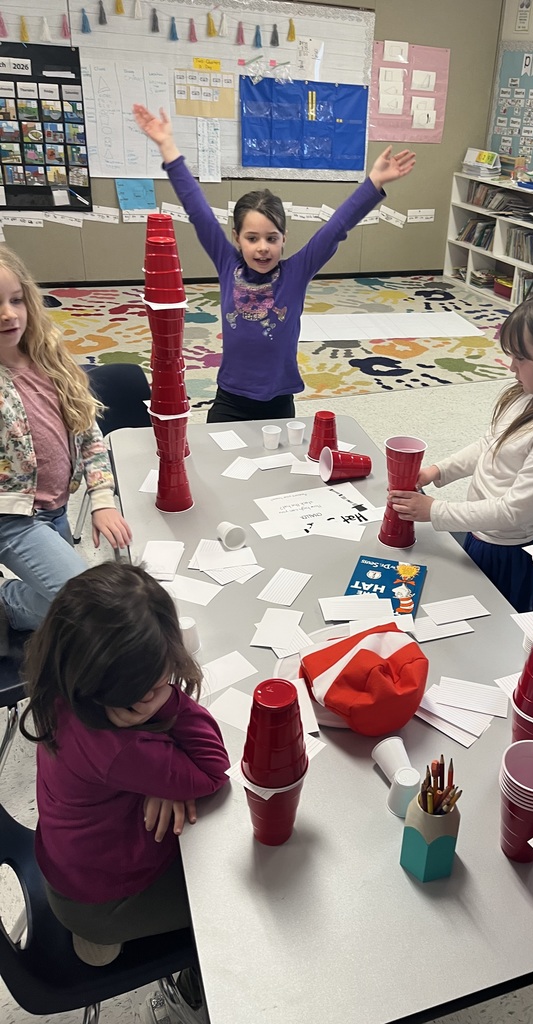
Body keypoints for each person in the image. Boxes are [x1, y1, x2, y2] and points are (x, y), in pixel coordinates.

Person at [132, 103, 416, 424]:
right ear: (237, 237)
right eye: (253, 238)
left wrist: (373, 182)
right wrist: (168, 147)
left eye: (272, 238)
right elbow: (198, 210)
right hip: (230, 398)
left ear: (284, 238)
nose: (263, 248)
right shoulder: (228, 264)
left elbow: (336, 228)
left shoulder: (296, 272)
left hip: (279, 400)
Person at [19, 561, 230, 976]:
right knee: (238, 900)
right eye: (150, 688)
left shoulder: (63, 683)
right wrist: (170, 701)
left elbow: (136, 764)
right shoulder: (120, 751)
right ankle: (106, 936)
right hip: (101, 904)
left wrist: (161, 778)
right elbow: (212, 769)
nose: (162, 687)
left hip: (72, 864)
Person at [389, 289, 533, 612]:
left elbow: (514, 511)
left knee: (493, 626)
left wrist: (434, 511)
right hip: (481, 530)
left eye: (521, 357)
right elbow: (490, 445)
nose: (511, 367)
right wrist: (437, 471)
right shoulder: (530, 393)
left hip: (508, 548)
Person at [0, 247, 132, 656]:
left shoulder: (48, 358)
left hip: (55, 510)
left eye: (16, 300)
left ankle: (16, 602)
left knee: (71, 605)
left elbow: (88, 431)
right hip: (12, 518)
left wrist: (102, 499)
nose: (8, 314)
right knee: (89, 608)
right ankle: (10, 604)